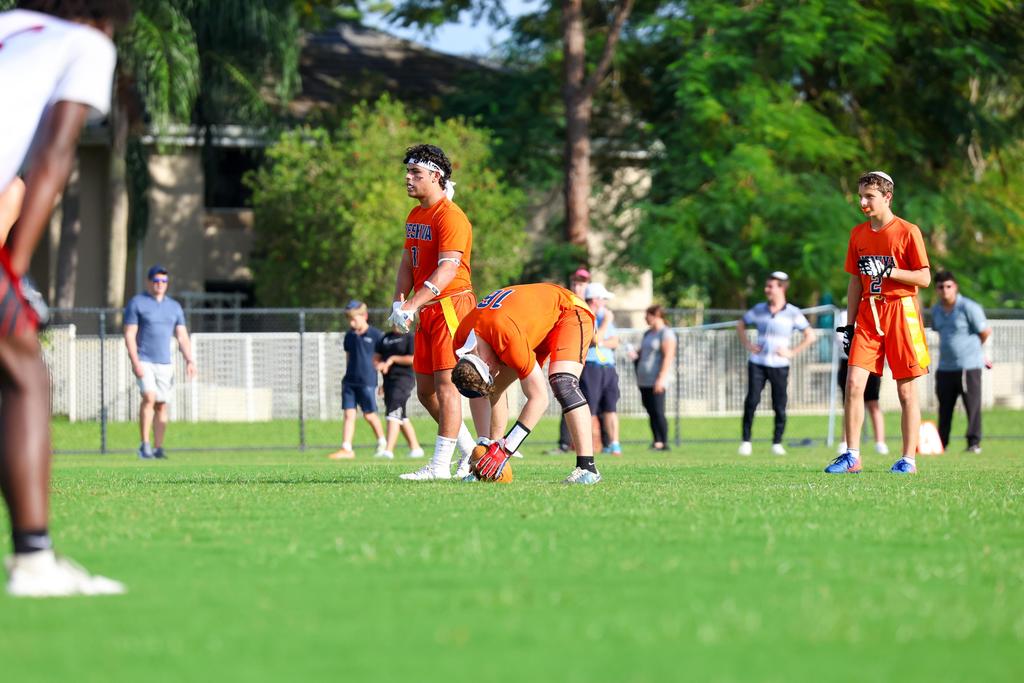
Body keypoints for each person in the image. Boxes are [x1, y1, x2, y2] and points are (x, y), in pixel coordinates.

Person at [0, 0, 130, 597]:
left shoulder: (9, 26)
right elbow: (53, 158)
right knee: (24, 373)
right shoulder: (87, 44)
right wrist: (16, 267)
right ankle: (34, 562)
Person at [387, 144, 485, 480]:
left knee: (447, 386)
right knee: (426, 391)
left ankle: (440, 465)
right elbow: (407, 262)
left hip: (450, 306)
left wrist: (412, 304)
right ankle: (470, 453)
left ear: (435, 176)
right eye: (408, 172)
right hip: (427, 309)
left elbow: (447, 270)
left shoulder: (451, 216)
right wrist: (399, 301)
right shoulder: (415, 215)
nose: (408, 178)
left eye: (416, 173)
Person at [828, 171, 931, 474]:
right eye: (861, 196)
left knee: (906, 392)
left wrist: (888, 271)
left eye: (869, 196)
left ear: (887, 197)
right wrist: (849, 325)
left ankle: (908, 460)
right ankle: (852, 456)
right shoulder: (857, 234)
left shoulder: (908, 231)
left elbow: (924, 277)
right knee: (853, 384)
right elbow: (854, 282)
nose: (863, 202)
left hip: (901, 312)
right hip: (868, 315)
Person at [451, 283, 601, 484]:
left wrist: (506, 449)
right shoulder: (461, 345)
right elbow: (483, 392)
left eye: (490, 372)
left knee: (563, 382)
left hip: (568, 311)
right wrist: (484, 446)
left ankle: (587, 468)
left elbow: (539, 399)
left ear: (485, 363)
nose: (495, 373)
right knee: (491, 389)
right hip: (530, 324)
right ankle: (490, 452)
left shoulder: (505, 336)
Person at [736, 271, 815, 456]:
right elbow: (740, 324)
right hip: (758, 363)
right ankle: (746, 441)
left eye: (770, 286)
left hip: (779, 365)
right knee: (752, 401)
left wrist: (792, 352)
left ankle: (777, 442)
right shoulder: (759, 309)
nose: (767, 290)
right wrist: (748, 344)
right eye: (766, 286)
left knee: (779, 404)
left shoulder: (793, 312)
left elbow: (810, 335)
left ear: (782, 288)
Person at [124, 265, 197, 460]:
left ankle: (158, 447)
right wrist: (135, 361)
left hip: (165, 363)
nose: (160, 284)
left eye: (164, 281)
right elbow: (130, 334)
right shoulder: (137, 303)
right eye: (156, 280)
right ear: (149, 282)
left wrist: (189, 360)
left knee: (161, 405)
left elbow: (182, 336)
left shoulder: (174, 307)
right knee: (149, 397)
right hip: (144, 359)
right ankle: (145, 445)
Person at [931, 271, 992, 454]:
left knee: (972, 406)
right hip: (945, 367)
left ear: (955, 287)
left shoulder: (969, 307)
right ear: (936, 289)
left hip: (968, 367)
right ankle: (941, 444)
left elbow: (985, 331)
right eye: (941, 287)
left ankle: (974, 443)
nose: (945, 290)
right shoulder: (936, 310)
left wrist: (973, 351)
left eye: (948, 286)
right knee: (944, 408)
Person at [328, 301, 386, 460]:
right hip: (349, 382)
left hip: (367, 382)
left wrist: (384, 382)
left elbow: (382, 361)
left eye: (354, 319)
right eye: (349, 320)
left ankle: (383, 443)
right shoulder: (349, 336)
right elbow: (348, 358)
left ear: (364, 316)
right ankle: (346, 448)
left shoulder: (376, 335)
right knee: (349, 414)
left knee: (369, 415)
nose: (351, 323)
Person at [834, 309, 888, 456]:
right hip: (848, 361)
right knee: (850, 401)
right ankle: (846, 442)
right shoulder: (844, 315)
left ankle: (880, 442)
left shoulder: (874, 310)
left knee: (873, 402)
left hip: (870, 360)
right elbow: (840, 338)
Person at [551, 267, 590, 454]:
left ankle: (592, 447)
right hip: (571, 359)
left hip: (589, 362)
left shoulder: (590, 306)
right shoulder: (567, 302)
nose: (577, 287)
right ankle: (565, 444)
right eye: (575, 283)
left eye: (581, 283)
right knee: (567, 396)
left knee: (584, 402)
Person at [374, 322, 424, 460]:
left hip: (403, 380)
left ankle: (388, 451)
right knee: (400, 415)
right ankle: (416, 448)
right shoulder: (385, 338)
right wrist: (380, 369)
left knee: (393, 411)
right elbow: (377, 358)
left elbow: (413, 358)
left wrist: (392, 359)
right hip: (388, 382)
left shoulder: (410, 338)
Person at [582, 282, 622, 455]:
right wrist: (605, 323)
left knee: (610, 407)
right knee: (590, 409)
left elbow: (615, 342)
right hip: (591, 367)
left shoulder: (604, 316)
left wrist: (602, 341)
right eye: (603, 299)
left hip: (608, 367)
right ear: (595, 300)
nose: (605, 303)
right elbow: (595, 339)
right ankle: (590, 446)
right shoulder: (587, 316)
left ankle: (614, 444)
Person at [634, 305, 677, 451]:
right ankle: (656, 440)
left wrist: (661, 378)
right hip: (644, 379)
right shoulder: (648, 333)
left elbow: (668, 357)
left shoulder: (666, 333)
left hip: (656, 379)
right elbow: (643, 352)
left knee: (658, 411)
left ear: (656, 315)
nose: (645, 318)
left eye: (647, 315)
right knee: (650, 411)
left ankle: (663, 441)